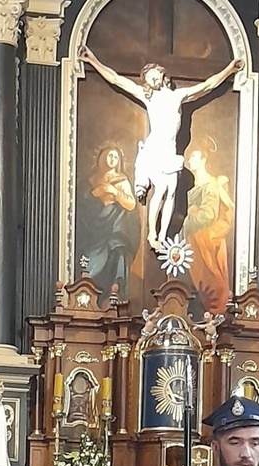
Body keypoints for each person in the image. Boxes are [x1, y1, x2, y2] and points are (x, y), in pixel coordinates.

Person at [78, 44, 242, 250]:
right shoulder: (149, 97)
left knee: (171, 192)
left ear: (161, 73)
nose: (151, 79)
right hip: (155, 150)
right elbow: (116, 79)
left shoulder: (177, 96)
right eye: (147, 78)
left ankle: (162, 237)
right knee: (161, 190)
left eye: (153, 74)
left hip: (171, 152)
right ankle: (152, 234)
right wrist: (93, 60)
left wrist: (229, 70)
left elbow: (207, 86)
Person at [77, 144, 141, 303]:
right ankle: (87, 300)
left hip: (114, 230)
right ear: (100, 159)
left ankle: (114, 299)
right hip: (94, 231)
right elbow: (82, 202)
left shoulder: (121, 180)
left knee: (116, 256)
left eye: (115, 157)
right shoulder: (90, 180)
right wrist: (96, 193)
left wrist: (114, 192)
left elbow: (131, 204)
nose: (111, 159)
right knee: (91, 264)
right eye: (108, 155)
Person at [183, 145, 234, 312]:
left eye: (194, 156)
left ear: (204, 159)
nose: (190, 160)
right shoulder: (192, 185)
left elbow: (209, 214)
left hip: (207, 241)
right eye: (189, 157)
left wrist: (188, 217)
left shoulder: (210, 184)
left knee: (210, 284)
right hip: (193, 242)